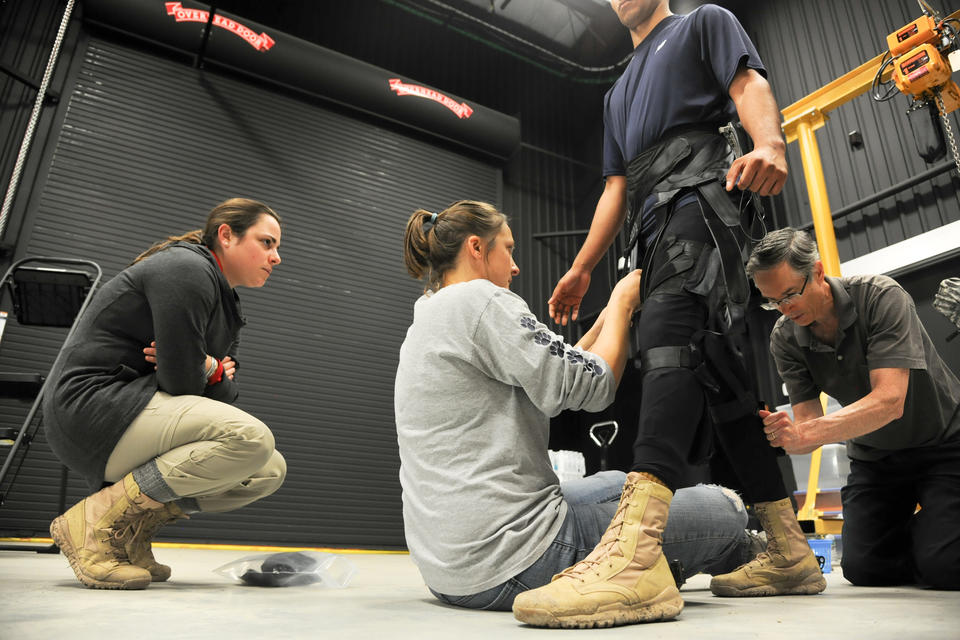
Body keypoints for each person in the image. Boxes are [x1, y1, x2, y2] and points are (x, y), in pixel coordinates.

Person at [516, 0, 825, 627]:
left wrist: (769, 142)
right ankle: (791, 549)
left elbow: (748, 83)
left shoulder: (702, 22)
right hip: (650, 226)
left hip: (703, 197)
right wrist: (581, 268)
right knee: (717, 373)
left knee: (666, 339)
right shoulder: (616, 92)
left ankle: (636, 553)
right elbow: (615, 188)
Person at [395, 200, 766, 623]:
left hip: (450, 570)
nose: (515, 267)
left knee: (615, 481)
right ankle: (743, 548)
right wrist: (625, 305)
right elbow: (591, 387)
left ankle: (709, 549)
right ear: (476, 248)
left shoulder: (429, 315)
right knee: (722, 508)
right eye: (509, 249)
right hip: (516, 561)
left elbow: (566, 364)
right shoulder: (483, 301)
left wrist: (609, 314)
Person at [44, 197, 288, 590]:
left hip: (137, 410)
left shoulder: (227, 306)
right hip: (93, 410)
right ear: (226, 235)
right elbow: (182, 384)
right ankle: (92, 524)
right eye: (267, 242)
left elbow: (223, 394)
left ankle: (129, 532)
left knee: (267, 469)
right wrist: (205, 369)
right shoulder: (186, 269)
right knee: (250, 438)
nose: (276, 257)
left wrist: (203, 365)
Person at [747, 227, 960, 590]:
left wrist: (808, 433)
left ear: (816, 272)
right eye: (772, 302)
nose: (784, 308)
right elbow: (810, 425)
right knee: (864, 569)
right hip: (875, 457)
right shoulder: (784, 337)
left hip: (944, 444)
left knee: (945, 569)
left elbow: (890, 401)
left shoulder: (880, 296)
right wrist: (790, 438)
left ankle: (940, 544)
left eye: (790, 294)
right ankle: (937, 540)